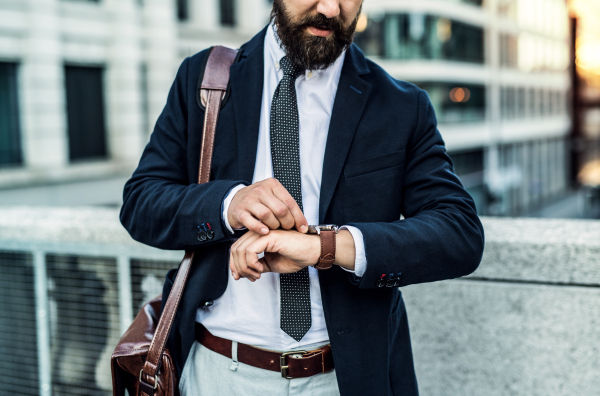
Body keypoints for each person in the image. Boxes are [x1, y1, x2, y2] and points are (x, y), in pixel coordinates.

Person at [119, 0, 485, 394]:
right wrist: (230, 204)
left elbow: (459, 234)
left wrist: (327, 246)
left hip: (344, 379)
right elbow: (141, 202)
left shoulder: (400, 104)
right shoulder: (204, 78)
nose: (329, 8)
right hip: (218, 373)